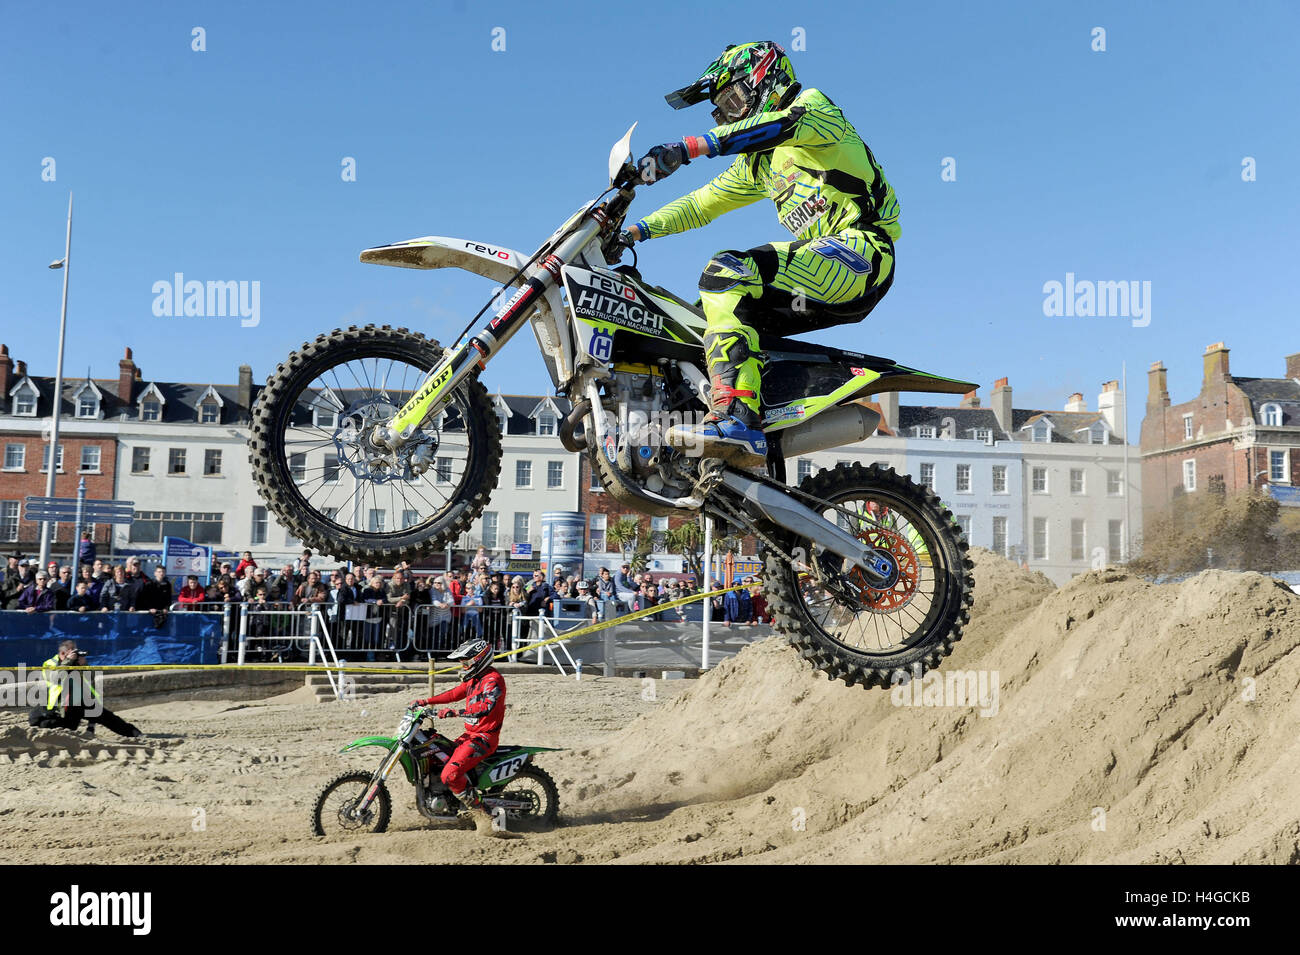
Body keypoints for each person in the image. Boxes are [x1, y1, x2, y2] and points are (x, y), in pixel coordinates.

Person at [623, 41, 899, 467]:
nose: (732, 115)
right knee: (701, 322)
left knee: (728, 271)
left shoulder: (814, 110)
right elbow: (702, 204)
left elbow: (780, 125)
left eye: (734, 101)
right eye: (723, 110)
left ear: (765, 80)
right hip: (822, 267)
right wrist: (634, 232)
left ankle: (737, 415)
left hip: (862, 252)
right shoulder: (762, 165)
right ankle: (735, 450)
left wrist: (688, 148)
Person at [410, 639, 506, 833]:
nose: (463, 665)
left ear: (478, 659)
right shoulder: (475, 678)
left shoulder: (492, 680)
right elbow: (454, 694)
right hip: (469, 736)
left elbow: (486, 707)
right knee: (438, 756)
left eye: (465, 661)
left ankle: (483, 813)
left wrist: (454, 713)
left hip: (483, 738)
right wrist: (426, 701)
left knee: (451, 775)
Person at [28, 640, 141, 738]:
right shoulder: (49, 663)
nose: (76, 655)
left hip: (79, 701)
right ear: (63, 653)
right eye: (73, 653)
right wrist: (69, 661)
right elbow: (56, 678)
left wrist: (83, 665)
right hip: (58, 706)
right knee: (62, 726)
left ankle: (135, 734)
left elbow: (90, 680)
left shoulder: (76, 664)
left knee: (108, 717)